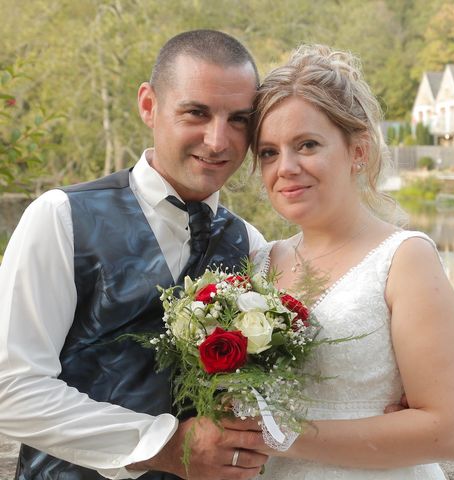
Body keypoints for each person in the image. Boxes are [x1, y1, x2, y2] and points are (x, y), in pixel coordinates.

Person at [0, 30, 270, 480]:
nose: (218, 140)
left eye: (239, 119)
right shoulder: (62, 217)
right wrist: (161, 446)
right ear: (149, 105)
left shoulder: (251, 244)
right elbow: (10, 389)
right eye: (196, 113)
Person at [250, 45, 454, 479]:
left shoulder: (404, 259)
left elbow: (448, 432)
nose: (286, 167)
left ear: (358, 150)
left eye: (307, 144)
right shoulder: (258, 264)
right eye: (269, 152)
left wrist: (282, 437)